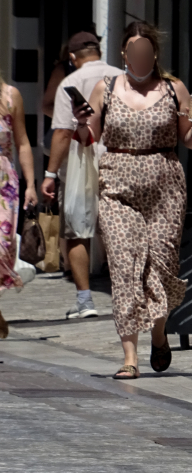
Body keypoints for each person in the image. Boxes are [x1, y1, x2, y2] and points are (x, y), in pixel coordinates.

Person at [72, 21, 192, 379]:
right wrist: (82, 122)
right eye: (134, 52)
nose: (140, 57)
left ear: (154, 55)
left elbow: (189, 141)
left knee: (162, 268)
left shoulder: (172, 88)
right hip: (117, 187)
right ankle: (129, 356)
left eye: (146, 52)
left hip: (165, 188)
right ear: (124, 54)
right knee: (123, 267)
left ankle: (159, 333)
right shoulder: (107, 89)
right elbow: (90, 137)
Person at [42, 31, 119, 319]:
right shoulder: (120, 77)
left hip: (79, 162)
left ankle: (86, 300)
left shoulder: (70, 82)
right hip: (116, 158)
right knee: (116, 228)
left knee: (77, 230)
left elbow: (63, 131)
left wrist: (50, 173)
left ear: (72, 57)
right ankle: (127, 292)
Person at [0, 73, 40, 338]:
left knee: (2, 247)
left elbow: (23, 142)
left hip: (3, 183)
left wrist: (30, 184)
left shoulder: (10, 96)